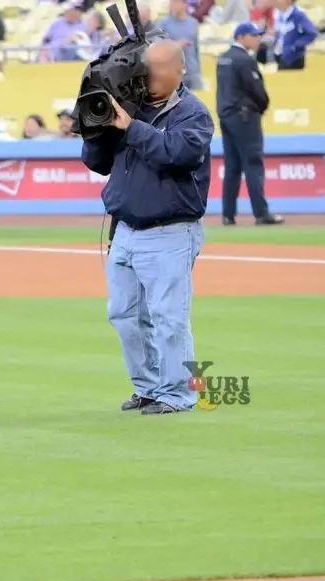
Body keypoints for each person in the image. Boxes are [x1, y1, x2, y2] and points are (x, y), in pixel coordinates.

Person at [79, 40, 214, 415]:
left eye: (157, 69)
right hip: (126, 230)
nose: (148, 76)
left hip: (170, 230)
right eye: (145, 69)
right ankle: (149, 388)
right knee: (124, 314)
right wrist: (97, 126)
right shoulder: (130, 107)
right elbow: (99, 163)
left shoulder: (193, 113)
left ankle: (177, 393)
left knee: (169, 317)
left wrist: (131, 127)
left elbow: (178, 154)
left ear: (179, 70)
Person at [216, 23, 284, 227]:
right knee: (253, 164)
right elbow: (257, 90)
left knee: (232, 167)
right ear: (242, 37)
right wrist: (263, 106)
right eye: (254, 35)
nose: (258, 39)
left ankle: (228, 215)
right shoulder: (244, 60)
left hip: (226, 116)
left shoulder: (224, 58)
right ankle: (261, 213)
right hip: (245, 117)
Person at [158, 0, 202, 90]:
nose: (173, 5)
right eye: (172, 2)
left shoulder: (193, 23)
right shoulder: (164, 24)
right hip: (173, 73)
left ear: (185, 4)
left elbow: (196, 49)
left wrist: (198, 72)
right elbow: (158, 48)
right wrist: (176, 45)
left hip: (192, 72)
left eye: (176, 2)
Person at [271, 0, 317, 70]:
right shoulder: (279, 15)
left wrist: (295, 46)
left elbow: (312, 33)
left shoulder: (298, 15)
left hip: (293, 59)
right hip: (281, 56)